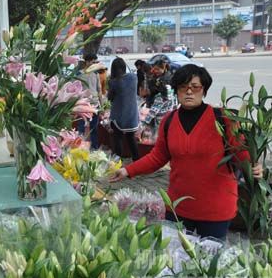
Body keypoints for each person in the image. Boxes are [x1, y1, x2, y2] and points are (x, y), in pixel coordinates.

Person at [110, 64, 264, 240]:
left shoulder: (223, 118)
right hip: (178, 208)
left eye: (195, 87)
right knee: (175, 260)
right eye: (183, 87)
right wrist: (127, 170)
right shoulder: (169, 120)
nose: (189, 92)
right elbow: (157, 157)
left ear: (204, 90)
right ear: (176, 91)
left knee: (207, 263)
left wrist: (254, 166)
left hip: (215, 210)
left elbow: (240, 153)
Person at [107, 57, 139, 161]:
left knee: (118, 139)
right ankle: (137, 160)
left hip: (118, 116)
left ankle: (117, 162)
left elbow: (110, 98)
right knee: (131, 139)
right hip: (132, 115)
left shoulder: (114, 82)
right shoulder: (134, 77)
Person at [77, 53, 102, 150]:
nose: (94, 64)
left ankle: (94, 148)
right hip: (82, 104)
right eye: (93, 62)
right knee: (81, 128)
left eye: (95, 62)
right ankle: (79, 147)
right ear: (87, 62)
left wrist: (102, 105)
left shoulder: (96, 74)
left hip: (94, 105)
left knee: (94, 128)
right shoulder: (79, 74)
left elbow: (99, 90)